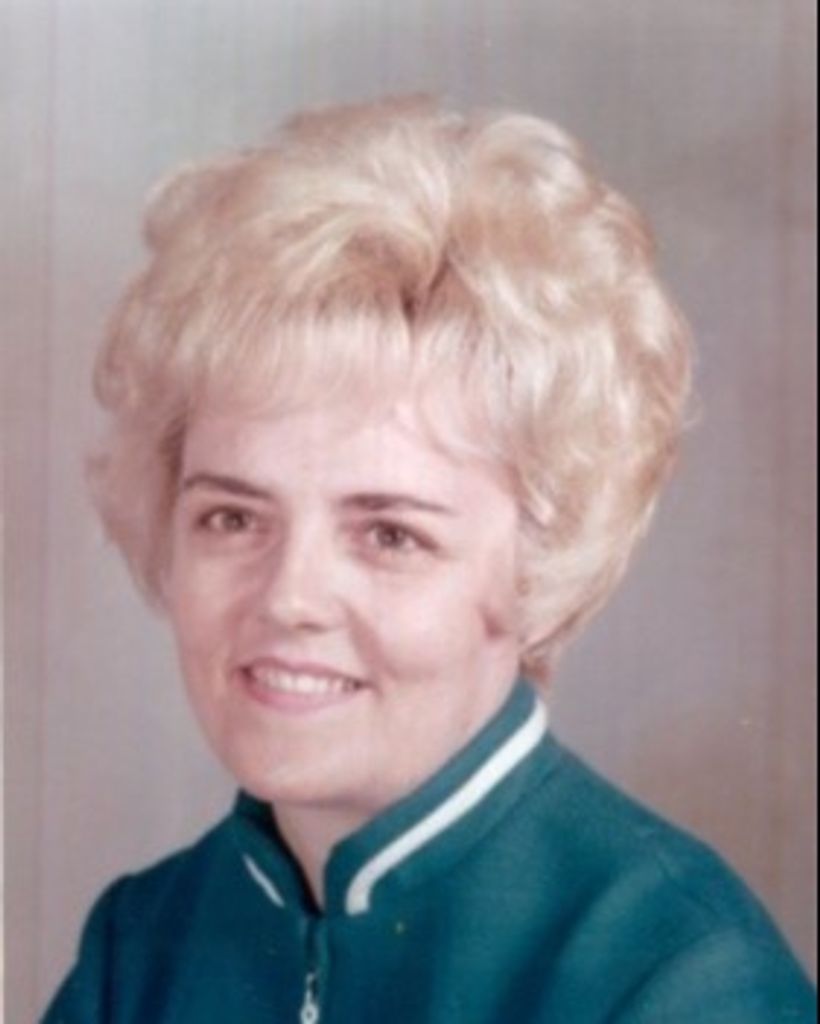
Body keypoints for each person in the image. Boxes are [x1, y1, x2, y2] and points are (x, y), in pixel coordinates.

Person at [42, 96, 815, 1023]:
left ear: (540, 564)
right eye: (233, 517)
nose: (288, 598)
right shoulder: (140, 948)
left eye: (389, 535)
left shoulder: (677, 978)